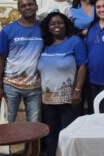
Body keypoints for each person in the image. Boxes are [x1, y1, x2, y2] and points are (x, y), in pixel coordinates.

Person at [37, 12, 87, 156]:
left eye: (60, 22)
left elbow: (83, 66)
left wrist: (77, 90)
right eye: (52, 23)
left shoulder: (75, 41)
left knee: (69, 133)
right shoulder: (45, 44)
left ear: (66, 24)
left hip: (69, 98)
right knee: (51, 133)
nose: (56, 26)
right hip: (48, 99)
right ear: (48, 27)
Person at [0, 0, 43, 122]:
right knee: (6, 123)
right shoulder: (8, 30)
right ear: (19, 10)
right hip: (11, 86)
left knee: (34, 126)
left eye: (30, 4)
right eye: (23, 6)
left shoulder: (43, 28)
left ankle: (29, 143)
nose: (27, 7)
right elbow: (0, 58)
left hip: (35, 87)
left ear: (36, 7)